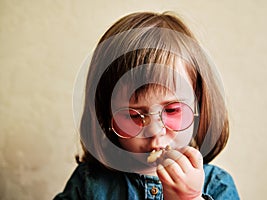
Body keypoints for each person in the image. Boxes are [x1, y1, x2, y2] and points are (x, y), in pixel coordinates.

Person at [54, 11, 240, 200]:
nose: (154, 130)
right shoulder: (89, 183)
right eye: (133, 116)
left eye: (171, 110)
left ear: (198, 104)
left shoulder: (217, 185)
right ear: (106, 116)